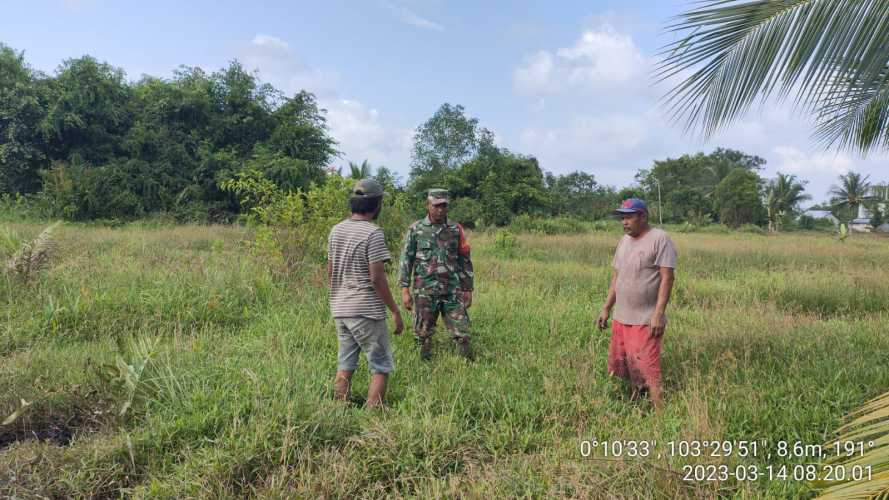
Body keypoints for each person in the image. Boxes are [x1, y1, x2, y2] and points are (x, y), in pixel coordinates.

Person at [327, 178, 404, 408]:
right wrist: (395, 310)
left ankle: (339, 407)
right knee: (381, 365)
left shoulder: (336, 230)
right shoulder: (373, 233)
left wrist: (339, 295)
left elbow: (330, 271)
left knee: (345, 363)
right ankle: (373, 412)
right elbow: (377, 278)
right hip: (365, 309)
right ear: (376, 204)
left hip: (340, 309)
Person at [596, 198, 676, 410]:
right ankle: (636, 407)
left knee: (648, 369)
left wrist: (658, 313)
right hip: (621, 317)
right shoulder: (624, 241)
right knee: (628, 366)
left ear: (643, 216)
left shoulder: (660, 238)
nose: (624, 222)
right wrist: (606, 308)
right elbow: (617, 277)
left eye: (629, 217)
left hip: (645, 319)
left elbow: (667, 278)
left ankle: (661, 415)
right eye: (622, 217)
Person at [398, 189, 474, 360]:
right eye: (436, 206)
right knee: (422, 335)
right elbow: (406, 260)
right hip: (425, 291)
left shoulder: (455, 229)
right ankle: (423, 365)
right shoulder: (416, 229)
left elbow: (464, 259)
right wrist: (404, 289)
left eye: (444, 206)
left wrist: (468, 288)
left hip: (452, 290)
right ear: (428, 205)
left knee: (463, 333)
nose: (440, 210)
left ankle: (465, 365)